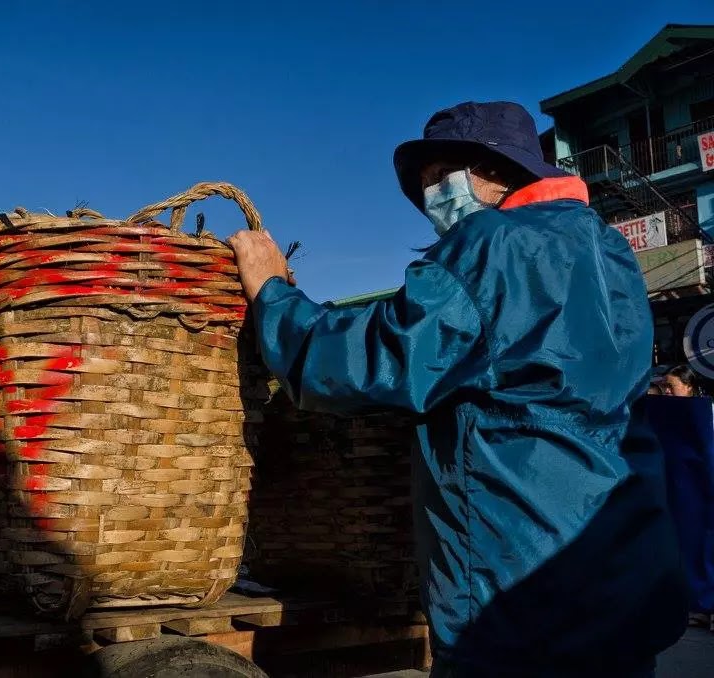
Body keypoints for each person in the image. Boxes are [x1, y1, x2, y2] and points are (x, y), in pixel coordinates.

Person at [228, 101, 686, 676]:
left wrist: (272, 293)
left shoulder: (495, 244)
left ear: (492, 171)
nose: (431, 199)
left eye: (436, 179)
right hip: (623, 563)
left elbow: (368, 360)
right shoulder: (606, 249)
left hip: (521, 572)